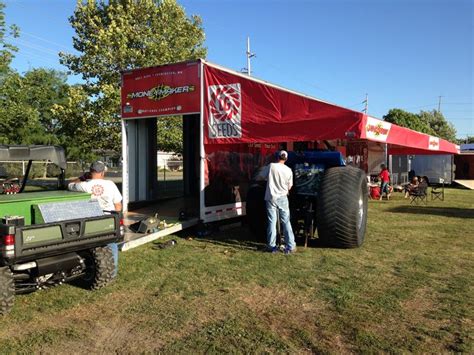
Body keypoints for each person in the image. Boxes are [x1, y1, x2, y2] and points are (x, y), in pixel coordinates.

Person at [68, 161, 122, 277]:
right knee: (111, 244)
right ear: (103, 172)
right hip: (108, 219)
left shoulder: (84, 185)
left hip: (91, 221)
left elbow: (70, 184)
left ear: (90, 172)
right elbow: (118, 206)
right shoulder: (110, 184)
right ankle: (112, 272)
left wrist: (82, 178)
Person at [258, 150, 296, 254]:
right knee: (286, 221)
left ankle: (271, 246)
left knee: (272, 221)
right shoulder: (289, 170)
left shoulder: (271, 166)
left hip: (271, 197)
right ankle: (291, 245)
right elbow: (290, 186)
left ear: (277, 157)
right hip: (283, 197)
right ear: (286, 159)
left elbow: (260, 176)